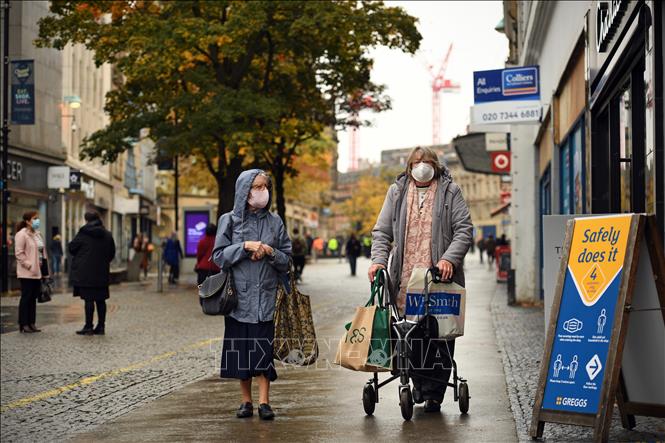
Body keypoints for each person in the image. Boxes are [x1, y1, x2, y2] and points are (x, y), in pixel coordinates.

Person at [369, 146, 472, 413]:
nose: (421, 165)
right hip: (405, 278)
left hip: (439, 278)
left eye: (426, 161)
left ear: (435, 165)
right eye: (416, 161)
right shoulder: (397, 192)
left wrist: (449, 258)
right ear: (409, 166)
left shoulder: (451, 191)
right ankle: (418, 383)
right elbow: (381, 232)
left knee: (440, 335)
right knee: (410, 335)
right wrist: (378, 261)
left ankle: (434, 393)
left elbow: (464, 229)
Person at [213, 169, 292, 421]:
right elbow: (218, 256)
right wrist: (244, 247)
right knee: (241, 354)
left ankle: (264, 403)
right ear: (245, 191)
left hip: (266, 299)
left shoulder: (275, 222)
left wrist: (270, 251)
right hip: (238, 299)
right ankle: (245, 401)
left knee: (263, 353)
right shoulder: (229, 220)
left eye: (265, 186)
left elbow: (287, 259)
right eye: (256, 187)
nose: (262, 192)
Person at [69, 211, 116, 336]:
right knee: (101, 300)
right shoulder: (107, 234)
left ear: (86, 220)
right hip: (101, 272)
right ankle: (101, 327)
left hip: (86, 272)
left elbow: (72, 248)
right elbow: (111, 253)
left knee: (88, 300)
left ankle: (88, 326)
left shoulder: (83, 233)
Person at [14, 211, 48, 333]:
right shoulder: (21, 234)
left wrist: (45, 271)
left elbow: (42, 253)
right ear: (28, 221)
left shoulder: (37, 234)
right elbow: (19, 253)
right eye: (35, 218)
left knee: (33, 298)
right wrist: (29, 265)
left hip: (37, 272)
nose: (37, 220)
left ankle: (31, 323)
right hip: (27, 272)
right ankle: (23, 324)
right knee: (26, 297)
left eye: (38, 218)